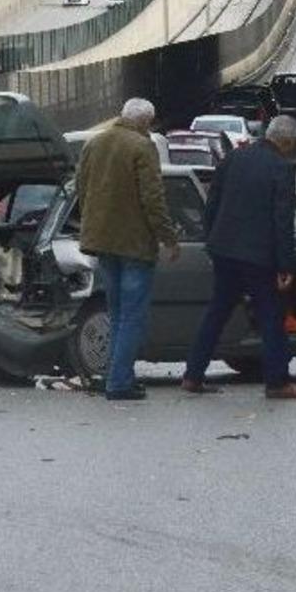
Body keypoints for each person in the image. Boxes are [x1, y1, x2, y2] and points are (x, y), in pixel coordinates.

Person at [183, 116, 296, 400]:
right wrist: (285, 264)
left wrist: (212, 239)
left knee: (217, 312)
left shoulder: (234, 158)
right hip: (259, 257)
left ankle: (193, 374)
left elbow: (213, 203)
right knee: (270, 318)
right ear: (288, 142)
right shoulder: (281, 168)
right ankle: (277, 381)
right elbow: (282, 220)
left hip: (224, 251)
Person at [77, 98, 180, 400]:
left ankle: (117, 374)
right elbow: (153, 198)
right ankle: (119, 383)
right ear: (146, 122)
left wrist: (91, 225)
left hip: (102, 242)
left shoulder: (94, 144)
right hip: (134, 244)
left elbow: (81, 188)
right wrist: (169, 238)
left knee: (116, 311)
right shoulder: (141, 146)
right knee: (132, 316)